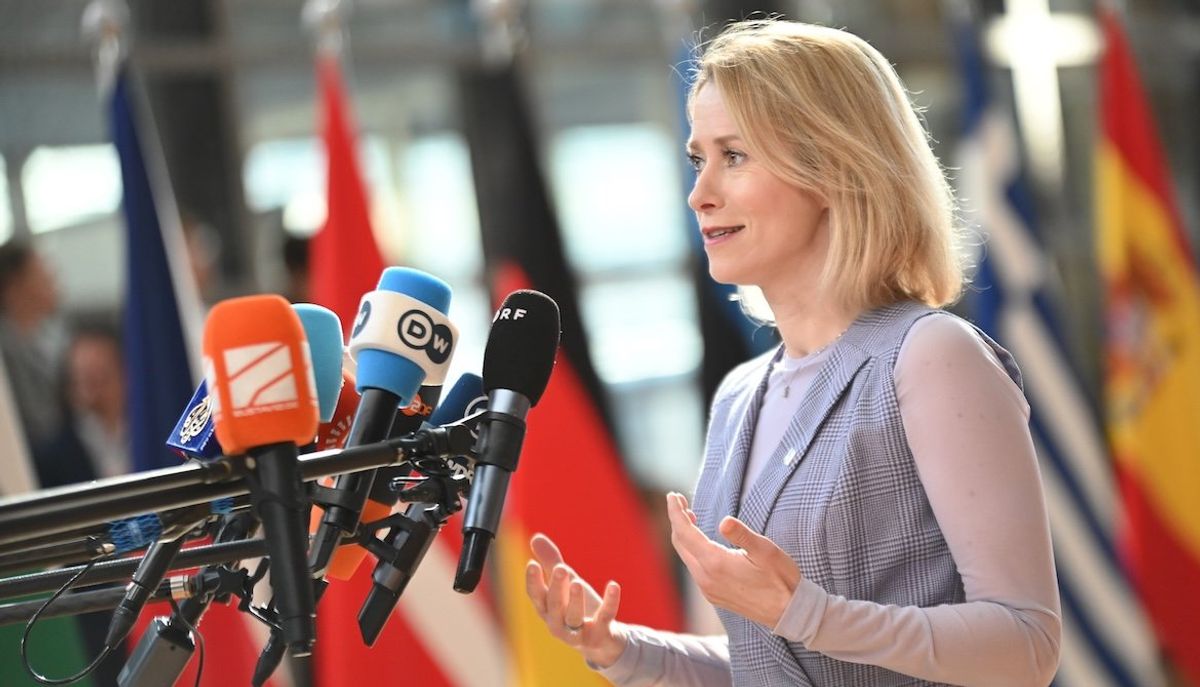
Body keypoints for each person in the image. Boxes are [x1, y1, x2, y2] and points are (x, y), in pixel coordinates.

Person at [524, 19, 1061, 686]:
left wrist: (805, 610)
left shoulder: (930, 354)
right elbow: (776, 661)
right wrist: (622, 647)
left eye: (735, 155)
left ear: (833, 165)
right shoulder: (738, 395)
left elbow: (1025, 643)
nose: (699, 192)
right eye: (698, 158)